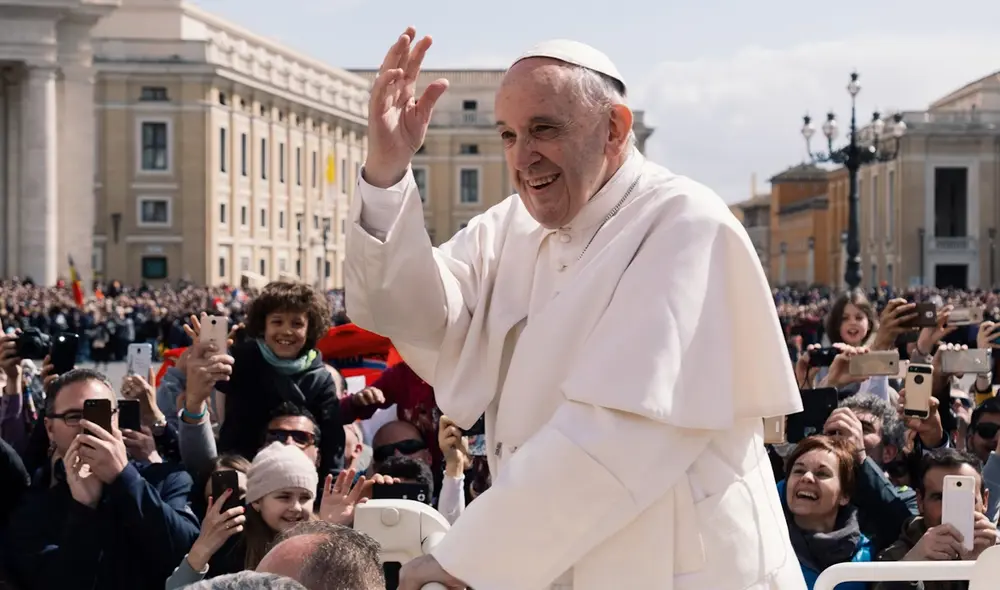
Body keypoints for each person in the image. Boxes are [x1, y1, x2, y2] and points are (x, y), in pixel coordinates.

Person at [346, 28, 805, 590]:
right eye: (508, 136)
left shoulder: (685, 223)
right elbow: (407, 311)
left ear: (614, 129)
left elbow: (619, 430)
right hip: (552, 559)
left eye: (544, 129)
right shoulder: (508, 227)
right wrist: (388, 174)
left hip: (684, 566)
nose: (523, 156)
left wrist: (467, 556)